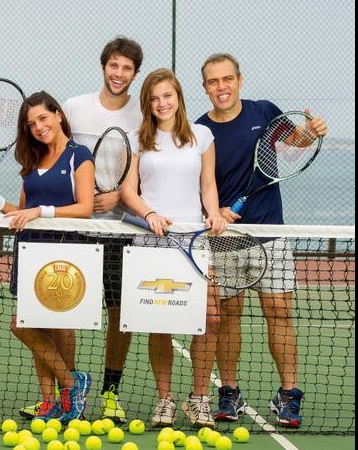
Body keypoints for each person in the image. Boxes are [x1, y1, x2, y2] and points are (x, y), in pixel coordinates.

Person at [196, 53, 327, 428]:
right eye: (213, 82)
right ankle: (229, 391)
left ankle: (289, 395)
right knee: (226, 319)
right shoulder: (201, 130)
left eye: (227, 79)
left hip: (270, 234)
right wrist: (217, 211)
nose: (221, 87)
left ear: (239, 80)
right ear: (205, 87)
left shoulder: (264, 111)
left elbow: (295, 142)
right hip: (226, 239)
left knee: (279, 312)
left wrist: (311, 132)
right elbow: (200, 184)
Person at [119, 68, 226, 429]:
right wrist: (148, 213)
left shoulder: (203, 136)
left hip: (194, 241)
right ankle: (164, 400)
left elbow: (208, 185)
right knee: (159, 325)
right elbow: (128, 191)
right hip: (152, 240)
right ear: (147, 103)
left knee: (210, 320)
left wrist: (213, 214)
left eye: (167, 95)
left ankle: (198, 399)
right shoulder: (138, 139)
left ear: (178, 96)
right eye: (154, 98)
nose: (162, 103)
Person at [0, 91, 95, 423]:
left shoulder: (79, 156)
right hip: (30, 250)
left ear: (58, 115)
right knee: (28, 324)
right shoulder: (32, 161)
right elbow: (22, 211)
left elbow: (85, 208)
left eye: (43, 118)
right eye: (32, 124)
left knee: (58, 328)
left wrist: (40, 211)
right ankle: (56, 397)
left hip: (65, 253)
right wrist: (1, 202)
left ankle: (68, 391)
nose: (39, 127)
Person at [57, 36, 144, 424]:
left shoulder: (143, 116)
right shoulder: (74, 109)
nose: (119, 73)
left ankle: (110, 393)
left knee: (119, 313)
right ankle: (66, 392)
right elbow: (57, 155)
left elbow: (146, 172)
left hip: (121, 232)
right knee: (62, 310)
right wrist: (79, 199)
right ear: (104, 66)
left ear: (135, 74)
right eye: (114, 65)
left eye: (127, 68)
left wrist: (121, 200)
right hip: (77, 229)